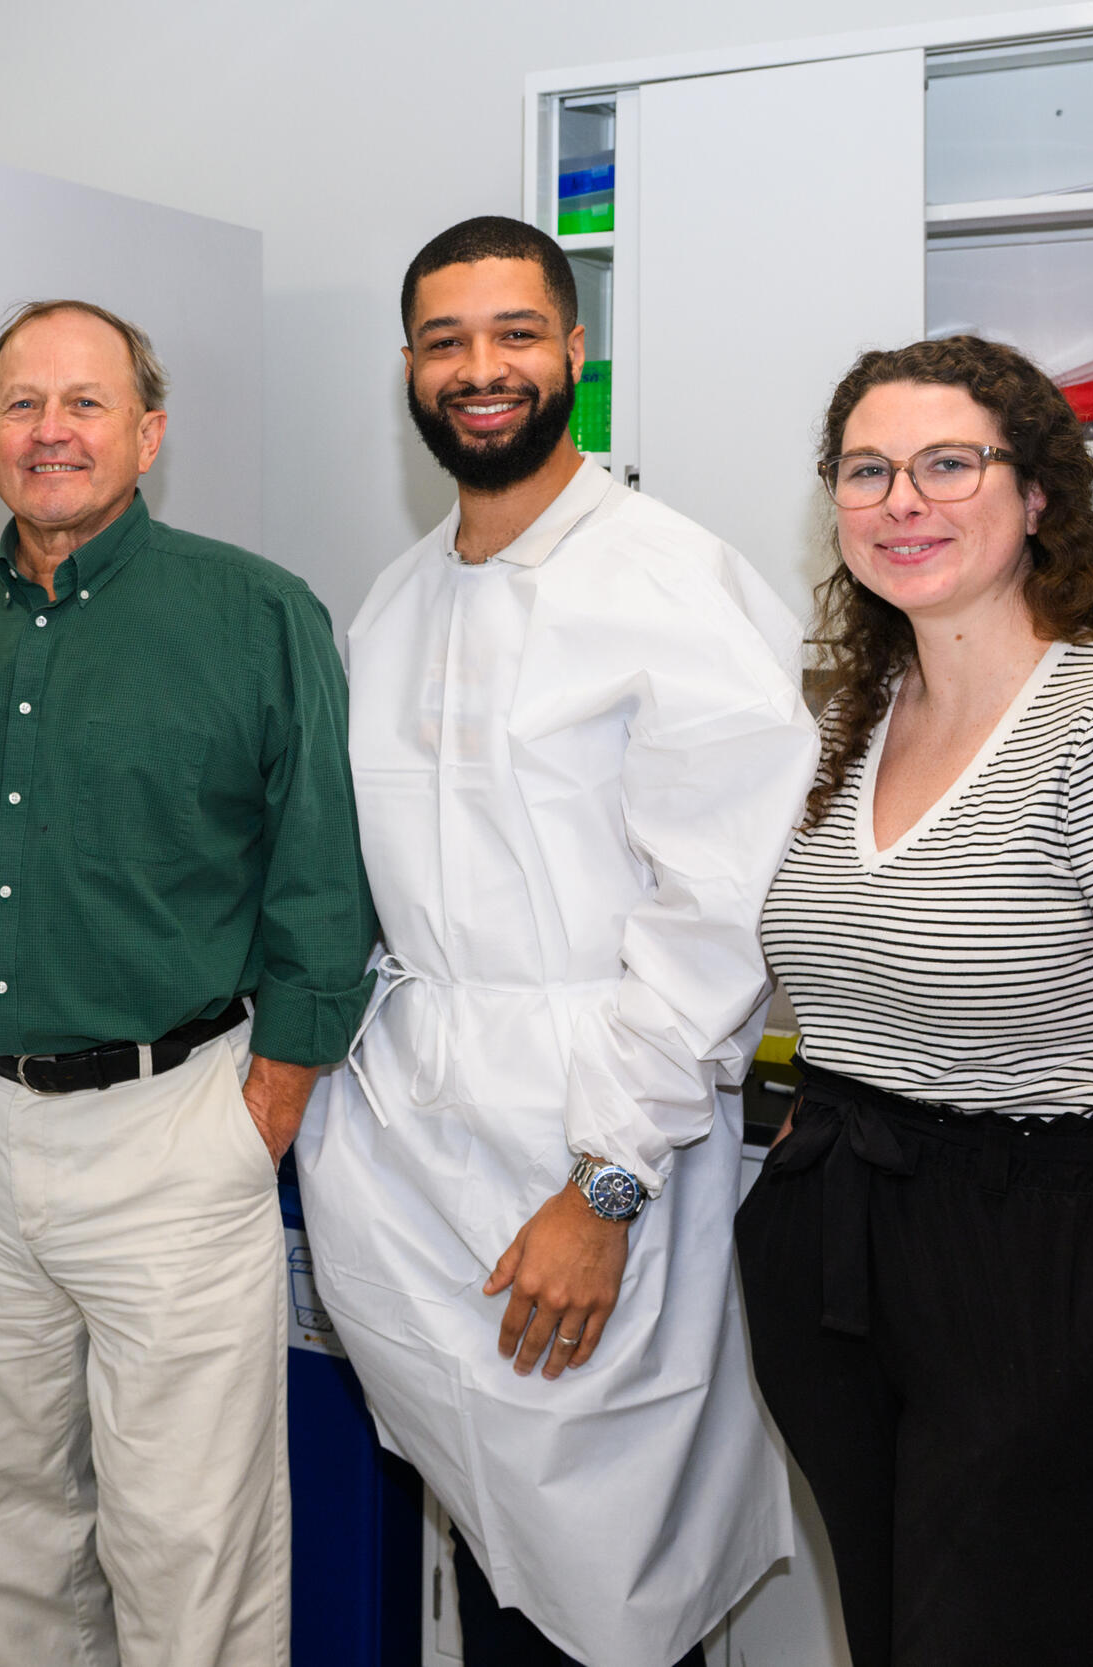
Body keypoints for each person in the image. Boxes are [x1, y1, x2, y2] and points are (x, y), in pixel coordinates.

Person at [293, 216, 817, 1667]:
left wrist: (607, 1183)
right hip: (413, 1163)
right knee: (491, 1571)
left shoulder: (672, 581)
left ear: (574, 351)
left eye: (516, 333)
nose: (482, 368)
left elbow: (720, 917)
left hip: (595, 1145)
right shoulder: (397, 599)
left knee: (606, 1598)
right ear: (409, 367)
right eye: (446, 340)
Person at [738, 335, 1093, 1665]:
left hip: (1043, 1260)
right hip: (843, 1247)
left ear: (1037, 492)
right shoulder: (864, 717)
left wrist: (1083, 1369)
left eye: (947, 464)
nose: (901, 500)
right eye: (866, 470)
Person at [0, 299, 376, 1667]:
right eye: (22, 404)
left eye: (85, 403)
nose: (51, 431)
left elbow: (321, 880)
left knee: (188, 1538)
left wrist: (267, 1104)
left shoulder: (257, 614)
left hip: (172, 1122)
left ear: (148, 433)